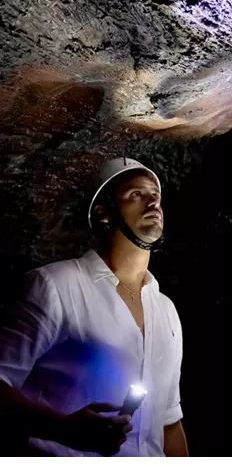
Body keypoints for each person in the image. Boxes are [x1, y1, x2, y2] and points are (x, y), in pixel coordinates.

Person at [0, 157, 187, 456]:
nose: (153, 202)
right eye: (136, 194)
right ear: (103, 214)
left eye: (156, 195)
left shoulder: (167, 311)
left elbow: (169, 423)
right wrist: (61, 429)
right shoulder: (54, 286)